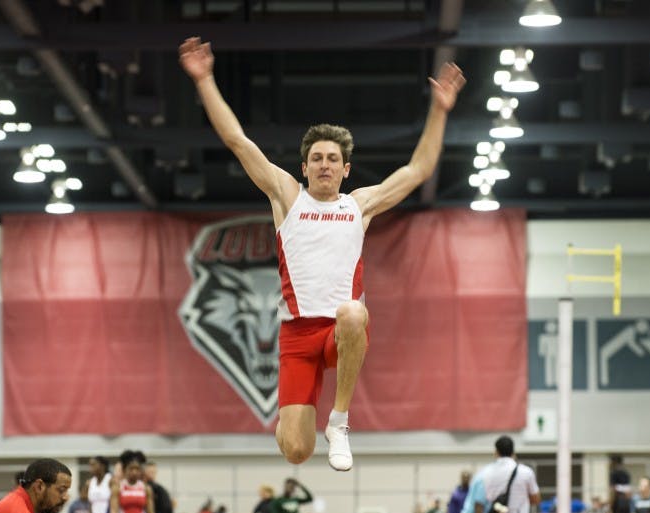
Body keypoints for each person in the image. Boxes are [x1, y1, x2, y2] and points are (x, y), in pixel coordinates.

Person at [179, 37, 465, 472]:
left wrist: (439, 111)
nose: (325, 165)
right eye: (317, 159)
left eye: (333, 159)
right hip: (296, 338)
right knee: (296, 451)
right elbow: (238, 141)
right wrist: (204, 81)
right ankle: (293, 424)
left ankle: (340, 420)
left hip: (339, 332)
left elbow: (418, 170)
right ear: (305, 168)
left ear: (346, 169)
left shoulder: (359, 205)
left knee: (353, 312)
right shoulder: (287, 198)